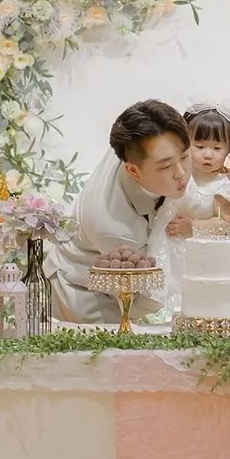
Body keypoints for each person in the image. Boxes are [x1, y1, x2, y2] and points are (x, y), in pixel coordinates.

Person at [44, 99, 191, 323]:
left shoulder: (142, 139)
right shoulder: (113, 227)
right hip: (85, 296)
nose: (181, 173)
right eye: (165, 166)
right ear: (133, 170)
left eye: (185, 156)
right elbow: (147, 294)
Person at [147, 101, 230, 314]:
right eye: (199, 146)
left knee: (188, 298)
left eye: (217, 148)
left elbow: (227, 224)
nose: (208, 155)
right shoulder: (179, 174)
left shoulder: (220, 186)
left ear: (229, 148)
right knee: (158, 295)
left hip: (196, 255)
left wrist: (193, 226)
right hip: (165, 245)